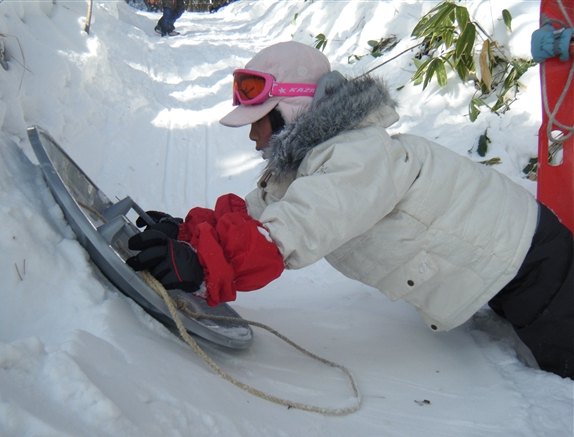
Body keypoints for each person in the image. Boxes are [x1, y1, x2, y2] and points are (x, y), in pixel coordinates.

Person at [127, 41, 574, 379]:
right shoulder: (310, 166)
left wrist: (203, 266)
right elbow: (253, 218)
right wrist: (186, 235)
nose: (252, 137)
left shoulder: (357, 158)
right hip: (499, 262)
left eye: (258, 120)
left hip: (532, 260)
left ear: (290, 110)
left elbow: (291, 229)